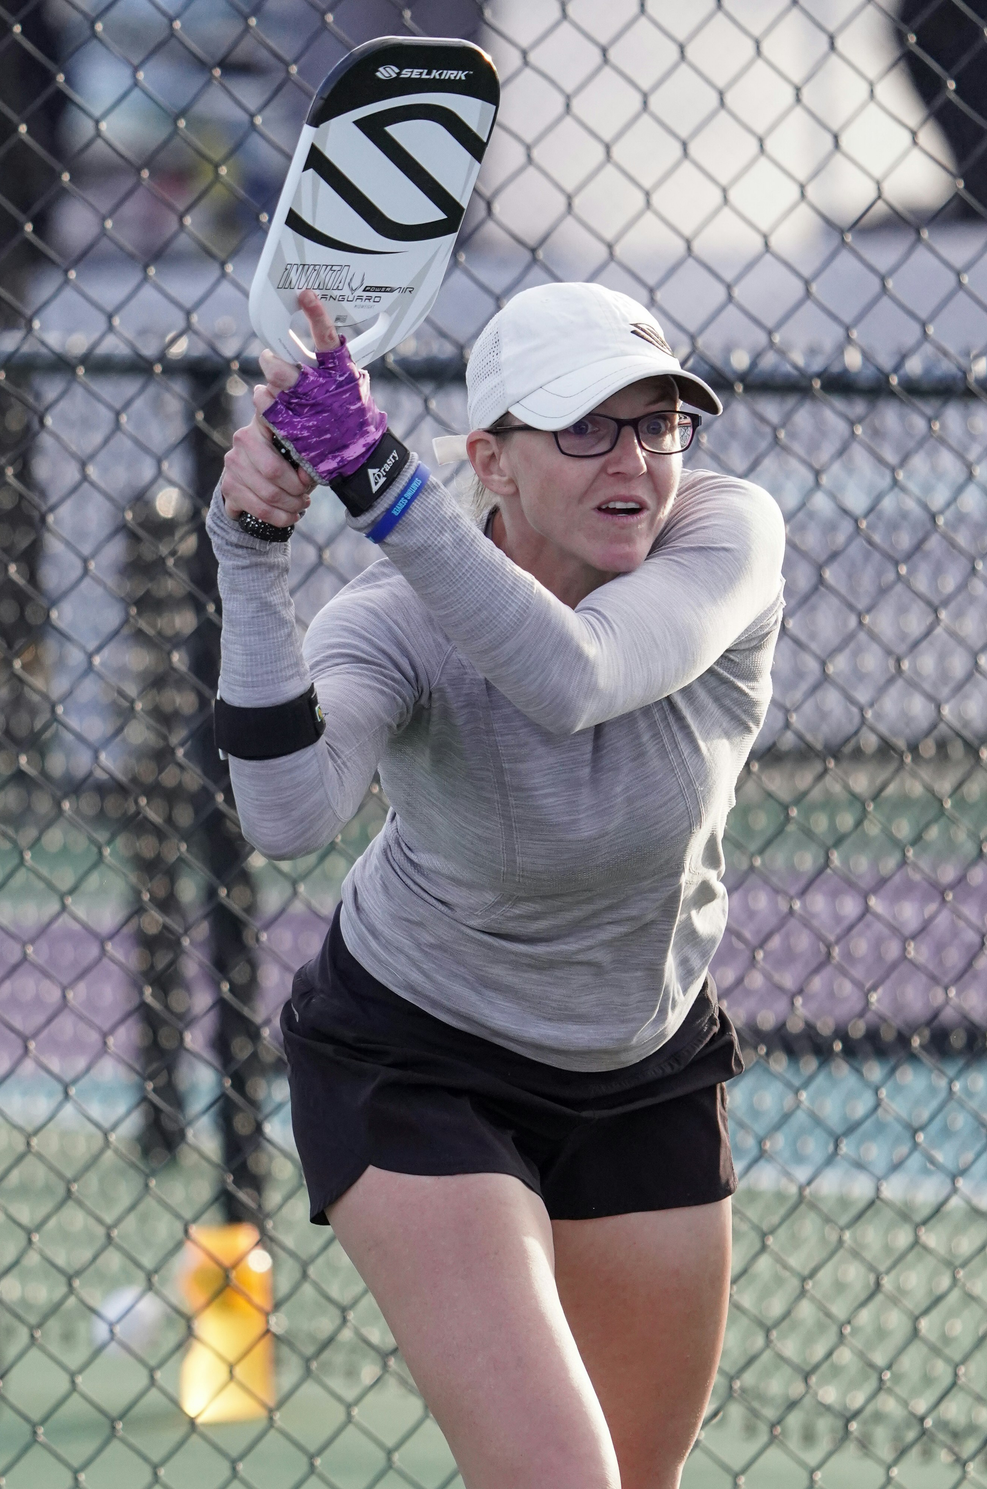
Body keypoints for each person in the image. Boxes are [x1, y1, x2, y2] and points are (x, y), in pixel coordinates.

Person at [208, 280, 785, 1489]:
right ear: (492, 460)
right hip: (420, 1057)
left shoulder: (727, 533)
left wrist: (375, 480)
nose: (632, 458)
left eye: (657, 422)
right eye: (586, 426)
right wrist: (250, 559)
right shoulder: (396, 622)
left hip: (644, 1058)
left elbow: (578, 674)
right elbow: (287, 813)